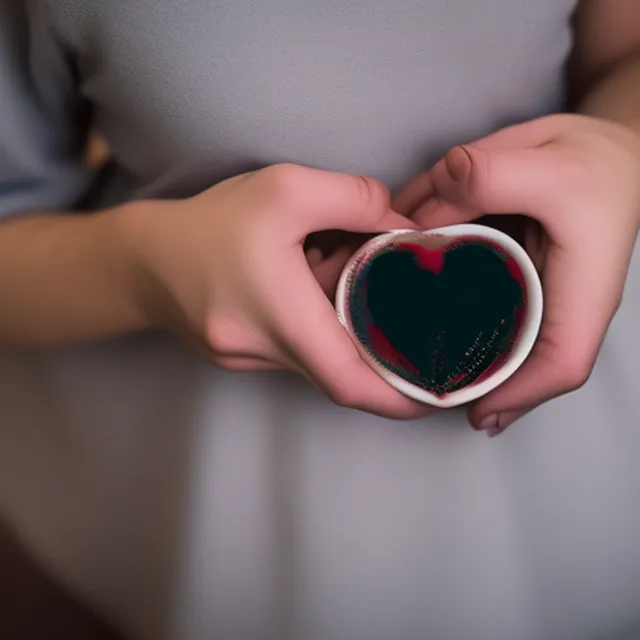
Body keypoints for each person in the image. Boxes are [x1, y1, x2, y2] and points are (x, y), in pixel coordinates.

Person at [1, 1, 640, 638]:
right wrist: (139, 269)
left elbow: (625, 55)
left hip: (584, 461)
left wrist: (622, 146)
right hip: (188, 492)